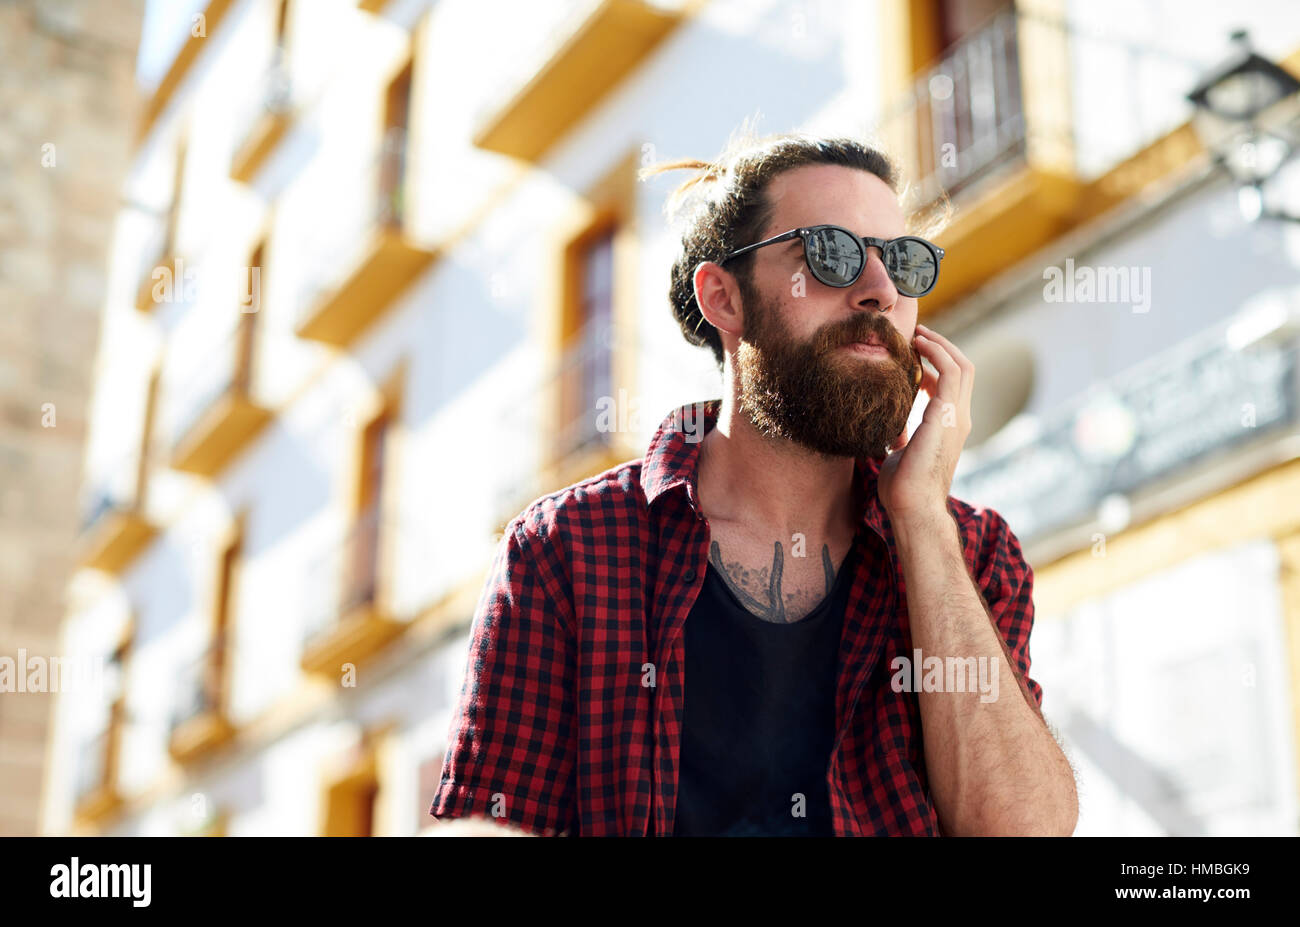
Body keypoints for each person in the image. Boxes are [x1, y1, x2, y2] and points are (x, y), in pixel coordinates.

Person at [430, 128, 1078, 837]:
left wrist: (921, 516)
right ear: (725, 298)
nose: (880, 291)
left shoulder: (974, 553)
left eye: (905, 262)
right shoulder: (567, 551)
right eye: (829, 254)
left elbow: (1022, 829)